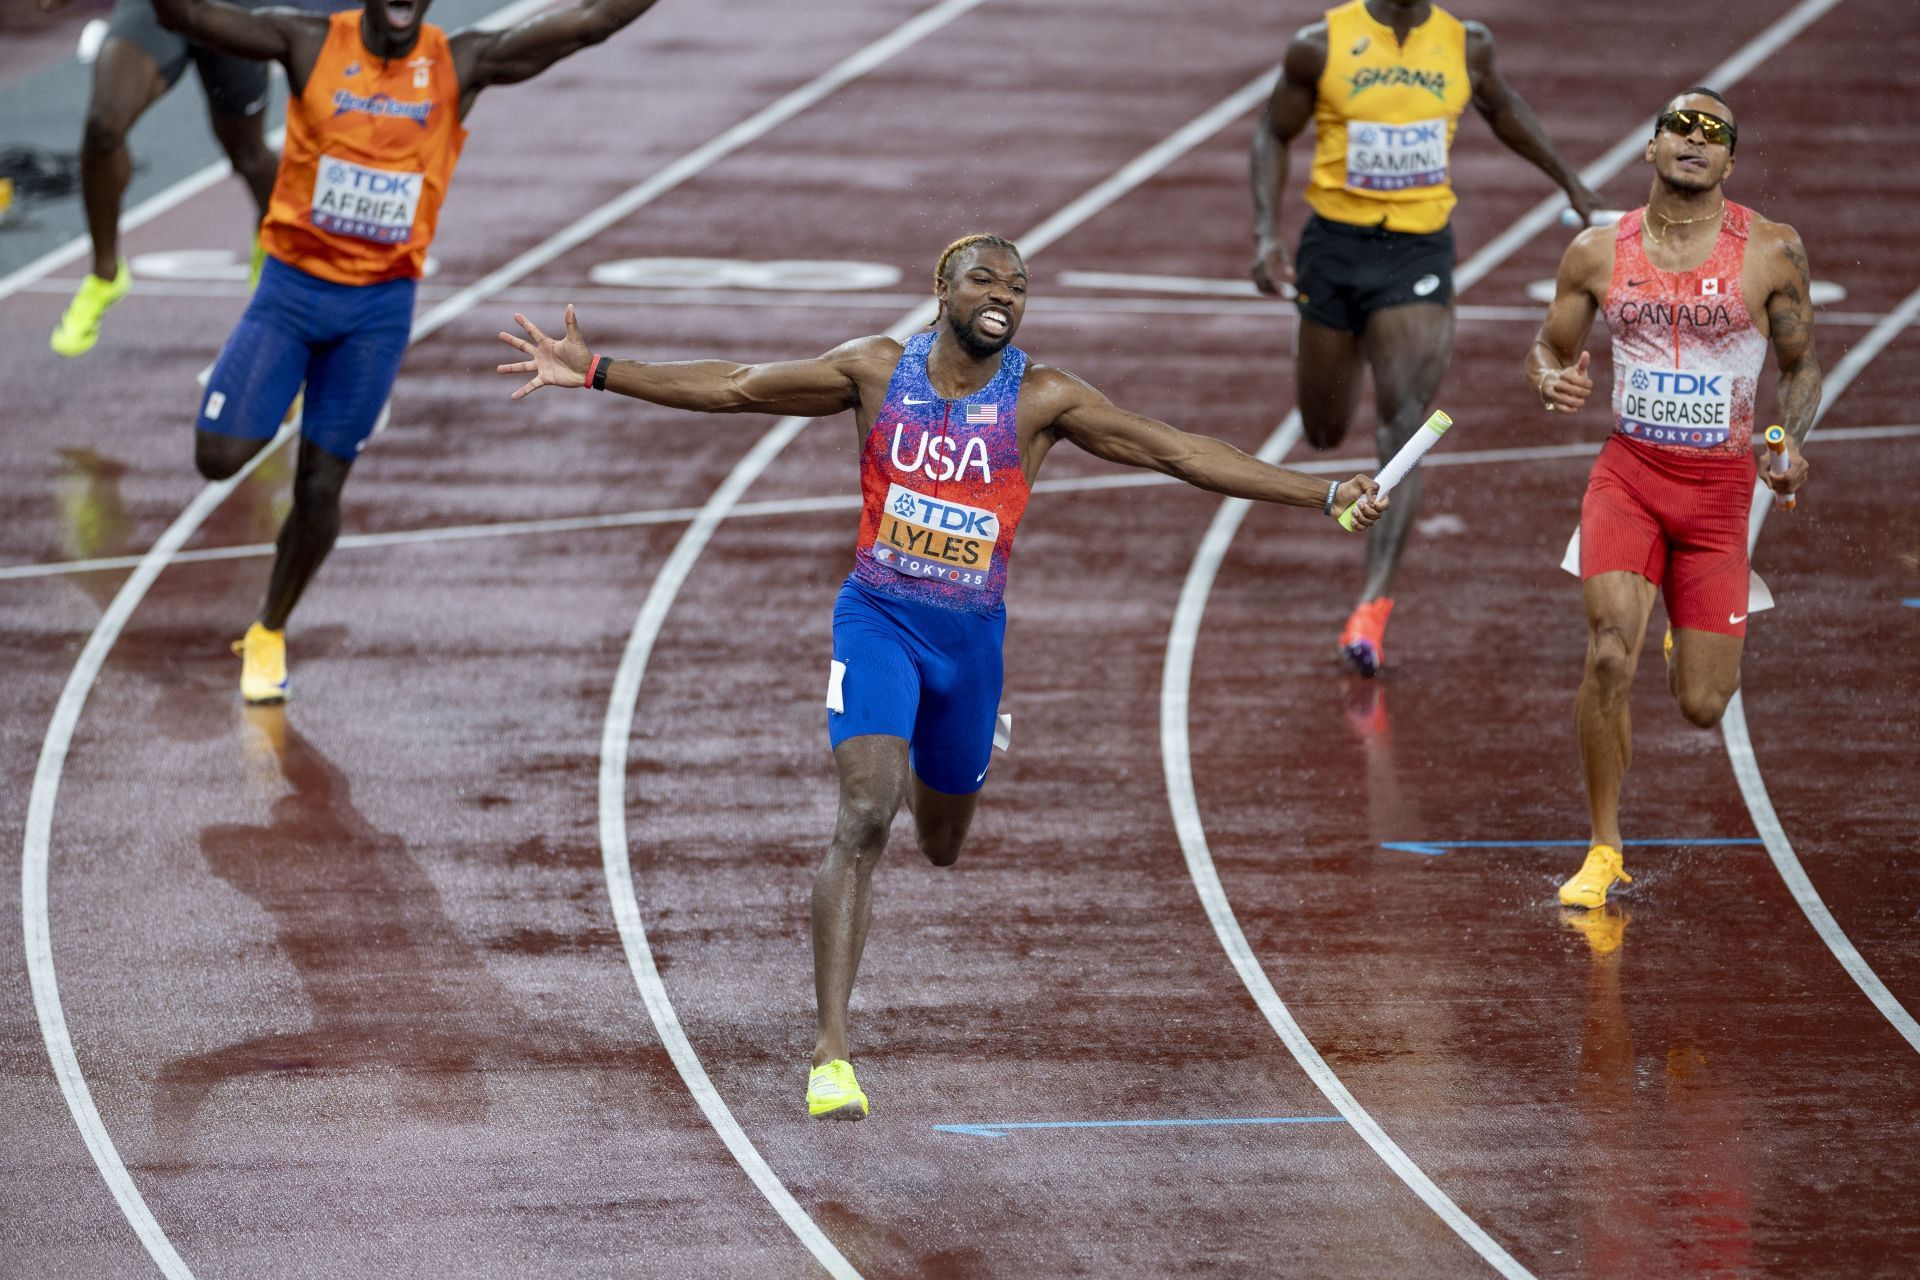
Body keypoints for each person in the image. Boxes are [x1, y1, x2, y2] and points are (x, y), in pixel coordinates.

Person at [496, 234, 1388, 1120]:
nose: (1006, 294)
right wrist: (601, 369)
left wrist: (1319, 494)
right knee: (864, 814)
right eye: (986, 278)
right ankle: (832, 1052)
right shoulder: (877, 371)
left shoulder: (1042, 400)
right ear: (942, 290)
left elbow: (1176, 451)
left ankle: (964, 735)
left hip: (970, 646)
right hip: (878, 619)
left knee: (941, 844)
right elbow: (737, 387)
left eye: (1021, 285)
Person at [151, 0, 668, 702]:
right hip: (291, 294)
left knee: (319, 487)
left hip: (377, 312)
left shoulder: (459, 64)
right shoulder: (306, 42)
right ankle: (285, 375)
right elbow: (186, 15)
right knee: (218, 459)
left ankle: (269, 629)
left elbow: (589, 23)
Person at [1526, 88, 1816, 910]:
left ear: (1730, 160)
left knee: (1701, 705)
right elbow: (1546, 350)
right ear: (1650, 149)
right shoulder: (1595, 251)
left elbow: (1799, 367)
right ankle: (1604, 846)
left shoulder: (1770, 251)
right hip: (1628, 479)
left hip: (1719, 496)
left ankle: (1680, 636)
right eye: (1678, 128)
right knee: (1608, 653)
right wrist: (1551, 379)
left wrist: (1790, 442)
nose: (1695, 139)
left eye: (1713, 133)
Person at [1250, 0, 1600, 675]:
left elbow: (1503, 111)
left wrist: (1569, 179)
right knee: (1323, 428)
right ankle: (1345, 357)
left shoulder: (1466, 45)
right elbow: (1272, 131)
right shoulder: (1320, 44)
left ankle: (1372, 610)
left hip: (1417, 254)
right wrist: (1267, 232)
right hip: (1334, 248)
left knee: (1402, 423)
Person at [42, 0, 286, 356]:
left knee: (248, 154)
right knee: (102, 128)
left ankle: (271, 244)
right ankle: (105, 275)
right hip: (156, 7)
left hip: (232, 8)